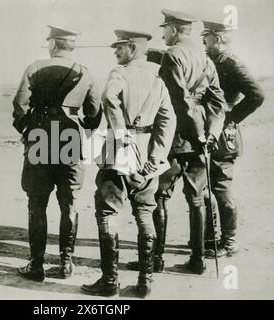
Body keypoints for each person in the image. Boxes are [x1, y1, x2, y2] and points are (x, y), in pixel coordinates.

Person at [81, 30, 176, 298]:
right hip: (148, 155)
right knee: (145, 213)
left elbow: (108, 97)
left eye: (120, 47)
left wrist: (122, 135)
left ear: (133, 48)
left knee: (108, 212)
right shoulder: (158, 80)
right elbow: (168, 121)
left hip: (119, 153)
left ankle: (110, 282)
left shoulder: (119, 73)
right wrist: (157, 157)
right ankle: (145, 283)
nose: (115, 52)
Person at [12, 25, 102, 281]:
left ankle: (36, 265)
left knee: (37, 203)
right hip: (70, 138)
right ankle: (66, 263)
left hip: (40, 136)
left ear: (53, 44)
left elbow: (19, 105)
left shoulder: (34, 68)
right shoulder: (86, 72)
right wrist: (81, 129)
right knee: (69, 203)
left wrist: (27, 129)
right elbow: (94, 112)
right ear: (71, 46)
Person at [150, 9, 226, 275]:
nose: (163, 34)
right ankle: (197, 260)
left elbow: (180, 101)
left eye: (165, 30)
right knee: (197, 198)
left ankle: (155, 260)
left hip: (177, 135)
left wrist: (196, 134)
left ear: (173, 29)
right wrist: (210, 134)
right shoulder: (205, 58)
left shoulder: (172, 55)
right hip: (201, 137)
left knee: (159, 195)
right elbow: (218, 102)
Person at [201, 20, 265, 257]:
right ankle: (210, 239)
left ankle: (228, 241)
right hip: (213, 130)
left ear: (217, 38)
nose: (203, 43)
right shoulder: (215, 62)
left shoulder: (232, 63)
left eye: (206, 38)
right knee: (208, 184)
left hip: (223, 135)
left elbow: (257, 95)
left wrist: (230, 117)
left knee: (221, 186)